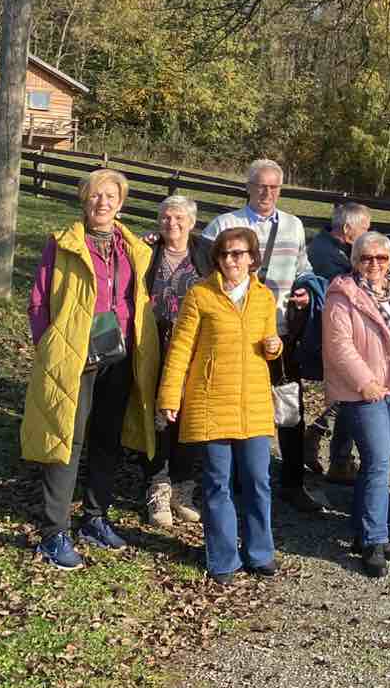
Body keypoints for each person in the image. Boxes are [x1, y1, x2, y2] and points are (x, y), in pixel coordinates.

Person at [23, 169, 161, 569]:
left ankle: (95, 518)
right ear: (84, 199)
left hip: (119, 353)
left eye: (110, 196)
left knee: (107, 438)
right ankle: (54, 532)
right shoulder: (62, 244)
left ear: (121, 203)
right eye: (96, 195)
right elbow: (39, 301)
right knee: (67, 438)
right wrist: (50, 346)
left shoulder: (132, 247)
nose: (103, 202)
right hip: (74, 355)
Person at [157, 227, 284, 584]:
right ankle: (224, 559)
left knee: (258, 481)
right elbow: (181, 348)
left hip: (253, 403)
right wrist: (170, 395)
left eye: (238, 254)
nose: (231, 260)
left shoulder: (264, 297)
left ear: (252, 258)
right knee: (217, 484)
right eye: (225, 254)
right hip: (211, 401)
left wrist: (275, 347)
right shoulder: (200, 294)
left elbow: (270, 343)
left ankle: (260, 553)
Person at [202, 158, 321, 514]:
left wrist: (305, 289)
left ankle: (292, 483)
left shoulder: (294, 225)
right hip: (234, 334)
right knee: (236, 404)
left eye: (274, 187)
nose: (267, 193)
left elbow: (303, 267)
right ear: (248, 187)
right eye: (260, 186)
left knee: (289, 407)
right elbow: (203, 269)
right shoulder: (225, 224)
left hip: (279, 331)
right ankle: (237, 481)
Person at [322, 231, 390, 577]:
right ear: (355, 260)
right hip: (365, 392)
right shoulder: (342, 294)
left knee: (378, 463)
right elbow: (339, 346)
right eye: (366, 258)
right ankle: (376, 538)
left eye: (381, 258)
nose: (374, 263)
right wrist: (366, 382)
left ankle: (363, 531)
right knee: (378, 463)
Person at [144, 195, 212, 529]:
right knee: (159, 416)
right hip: (154, 344)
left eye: (179, 218)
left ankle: (183, 488)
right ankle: (158, 486)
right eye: (166, 217)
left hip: (195, 346)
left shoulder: (207, 253)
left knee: (189, 416)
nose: (172, 223)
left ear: (192, 222)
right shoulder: (147, 251)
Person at [301, 202, 372, 484]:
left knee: (348, 393)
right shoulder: (327, 255)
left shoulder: (334, 248)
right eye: (364, 228)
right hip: (331, 332)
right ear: (347, 228)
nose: (368, 233)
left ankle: (324, 439)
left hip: (338, 330)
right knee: (350, 391)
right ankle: (337, 455)